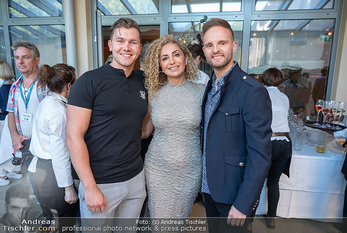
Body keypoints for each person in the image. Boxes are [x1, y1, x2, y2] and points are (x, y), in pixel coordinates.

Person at [66, 18, 147, 230]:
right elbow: (73, 136)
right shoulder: (89, 81)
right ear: (110, 45)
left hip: (136, 179)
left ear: (139, 47)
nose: (126, 47)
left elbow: (143, 131)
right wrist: (89, 186)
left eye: (133, 42)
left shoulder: (143, 81)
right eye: (120, 41)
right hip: (100, 182)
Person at [200, 18, 272, 232]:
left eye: (221, 43)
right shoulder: (209, 86)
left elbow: (260, 155)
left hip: (234, 196)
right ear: (204, 50)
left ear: (233, 46)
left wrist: (244, 204)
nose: (215, 50)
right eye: (210, 45)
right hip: (209, 190)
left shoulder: (252, 91)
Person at [142, 34, 204, 218]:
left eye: (176, 55)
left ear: (186, 58)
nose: (172, 61)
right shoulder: (153, 93)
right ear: (159, 65)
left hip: (190, 170)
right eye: (164, 58)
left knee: (178, 222)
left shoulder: (202, 92)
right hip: (157, 169)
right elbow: (145, 131)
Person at [28, 64, 78, 219]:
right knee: (62, 220)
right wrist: (68, 188)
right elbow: (60, 152)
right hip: (51, 173)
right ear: (69, 86)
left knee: (50, 218)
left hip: (40, 169)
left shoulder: (47, 101)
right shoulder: (58, 110)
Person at [6, 41, 46, 169]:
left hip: (44, 143)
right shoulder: (14, 87)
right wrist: (14, 136)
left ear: (37, 60)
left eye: (25, 57)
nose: (20, 61)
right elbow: (10, 113)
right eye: (17, 58)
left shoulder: (47, 85)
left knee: (50, 185)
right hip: (24, 143)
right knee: (32, 184)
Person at [259, 68, 291, 229]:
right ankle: (271, 218)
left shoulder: (261, 95)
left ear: (263, 80)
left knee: (256, 181)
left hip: (267, 143)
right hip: (284, 143)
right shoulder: (285, 97)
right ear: (280, 81)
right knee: (273, 182)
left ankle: (249, 220)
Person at [0, 61, 15, 186]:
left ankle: (2, 176)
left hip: (3, 120)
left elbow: (5, 107)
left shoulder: (4, 87)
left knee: (0, 148)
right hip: (8, 120)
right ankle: (14, 171)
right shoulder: (13, 84)